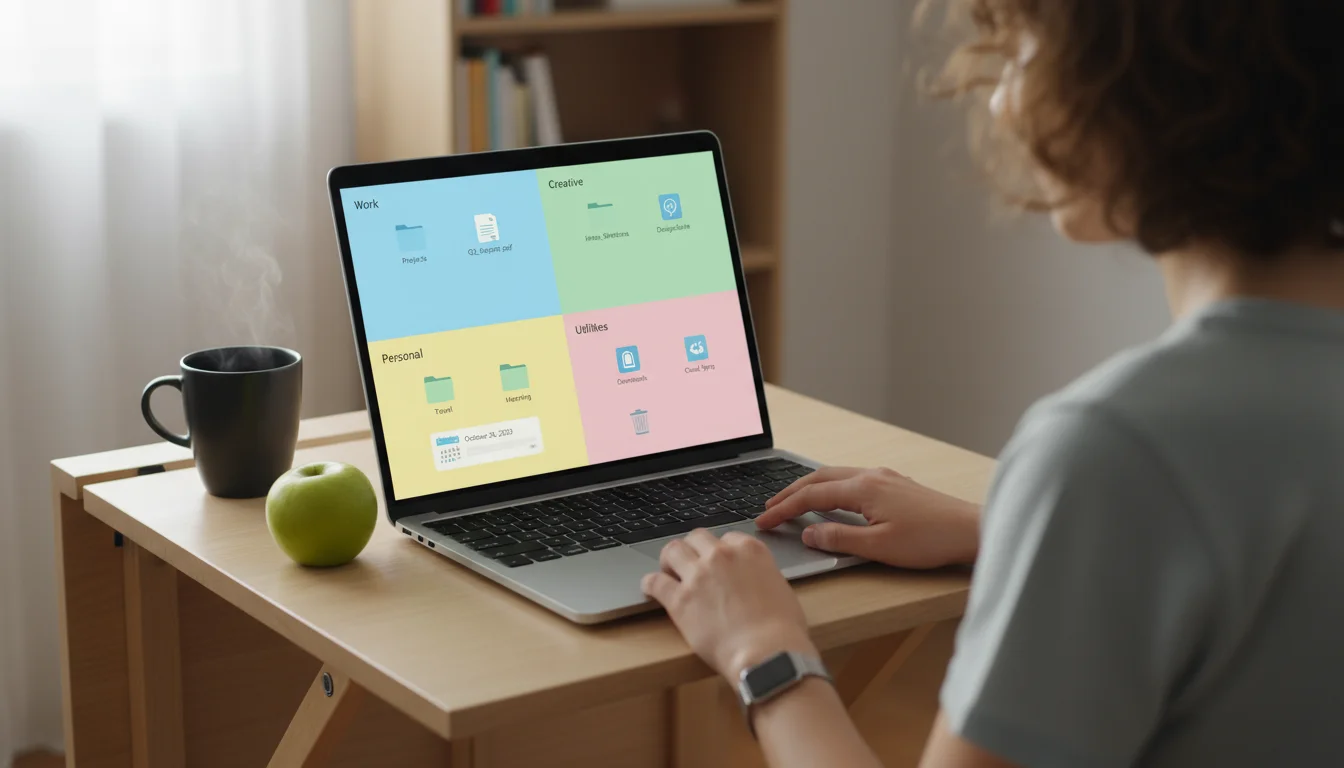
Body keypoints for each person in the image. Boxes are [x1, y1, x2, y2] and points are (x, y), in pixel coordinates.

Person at [641, 0, 1344, 766]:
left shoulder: (1120, 448)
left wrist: (765, 652)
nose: (1003, 100)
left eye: (1021, 53)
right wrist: (1006, 529)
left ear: (1150, 86)